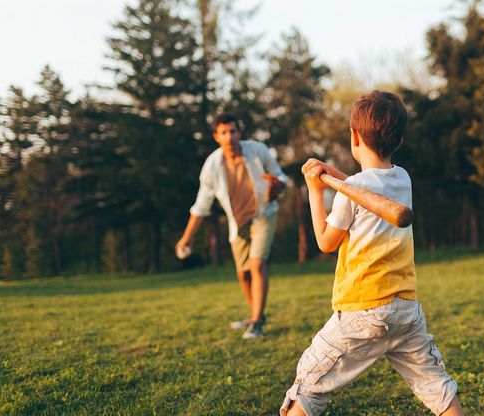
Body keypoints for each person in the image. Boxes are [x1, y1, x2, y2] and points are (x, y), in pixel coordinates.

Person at [280, 91, 464, 415]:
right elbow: (361, 187)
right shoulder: (402, 178)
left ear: (354, 136)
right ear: (400, 140)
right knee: (435, 383)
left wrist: (314, 190)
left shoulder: (353, 191)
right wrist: (332, 175)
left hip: (362, 310)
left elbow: (325, 241)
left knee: (309, 381)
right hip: (405, 309)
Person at [176, 113, 287, 339]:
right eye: (224, 133)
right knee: (243, 274)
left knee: (257, 264)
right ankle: (257, 314)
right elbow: (201, 205)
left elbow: (280, 177)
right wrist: (187, 237)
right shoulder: (212, 165)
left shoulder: (258, 150)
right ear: (216, 136)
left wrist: (277, 186)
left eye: (233, 131)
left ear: (240, 132)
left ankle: (256, 322)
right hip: (238, 223)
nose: (230, 137)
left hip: (264, 214)